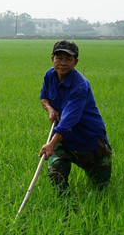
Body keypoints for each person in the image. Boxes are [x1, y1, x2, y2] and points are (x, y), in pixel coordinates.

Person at [39, 40, 112, 197]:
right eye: (59, 58)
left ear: (76, 62)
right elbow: (44, 97)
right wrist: (50, 109)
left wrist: (50, 144)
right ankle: (65, 207)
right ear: (52, 59)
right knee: (56, 173)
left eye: (68, 59)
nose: (63, 63)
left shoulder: (80, 86)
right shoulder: (49, 75)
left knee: (101, 189)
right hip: (64, 140)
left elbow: (68, 121)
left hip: (89, 140)